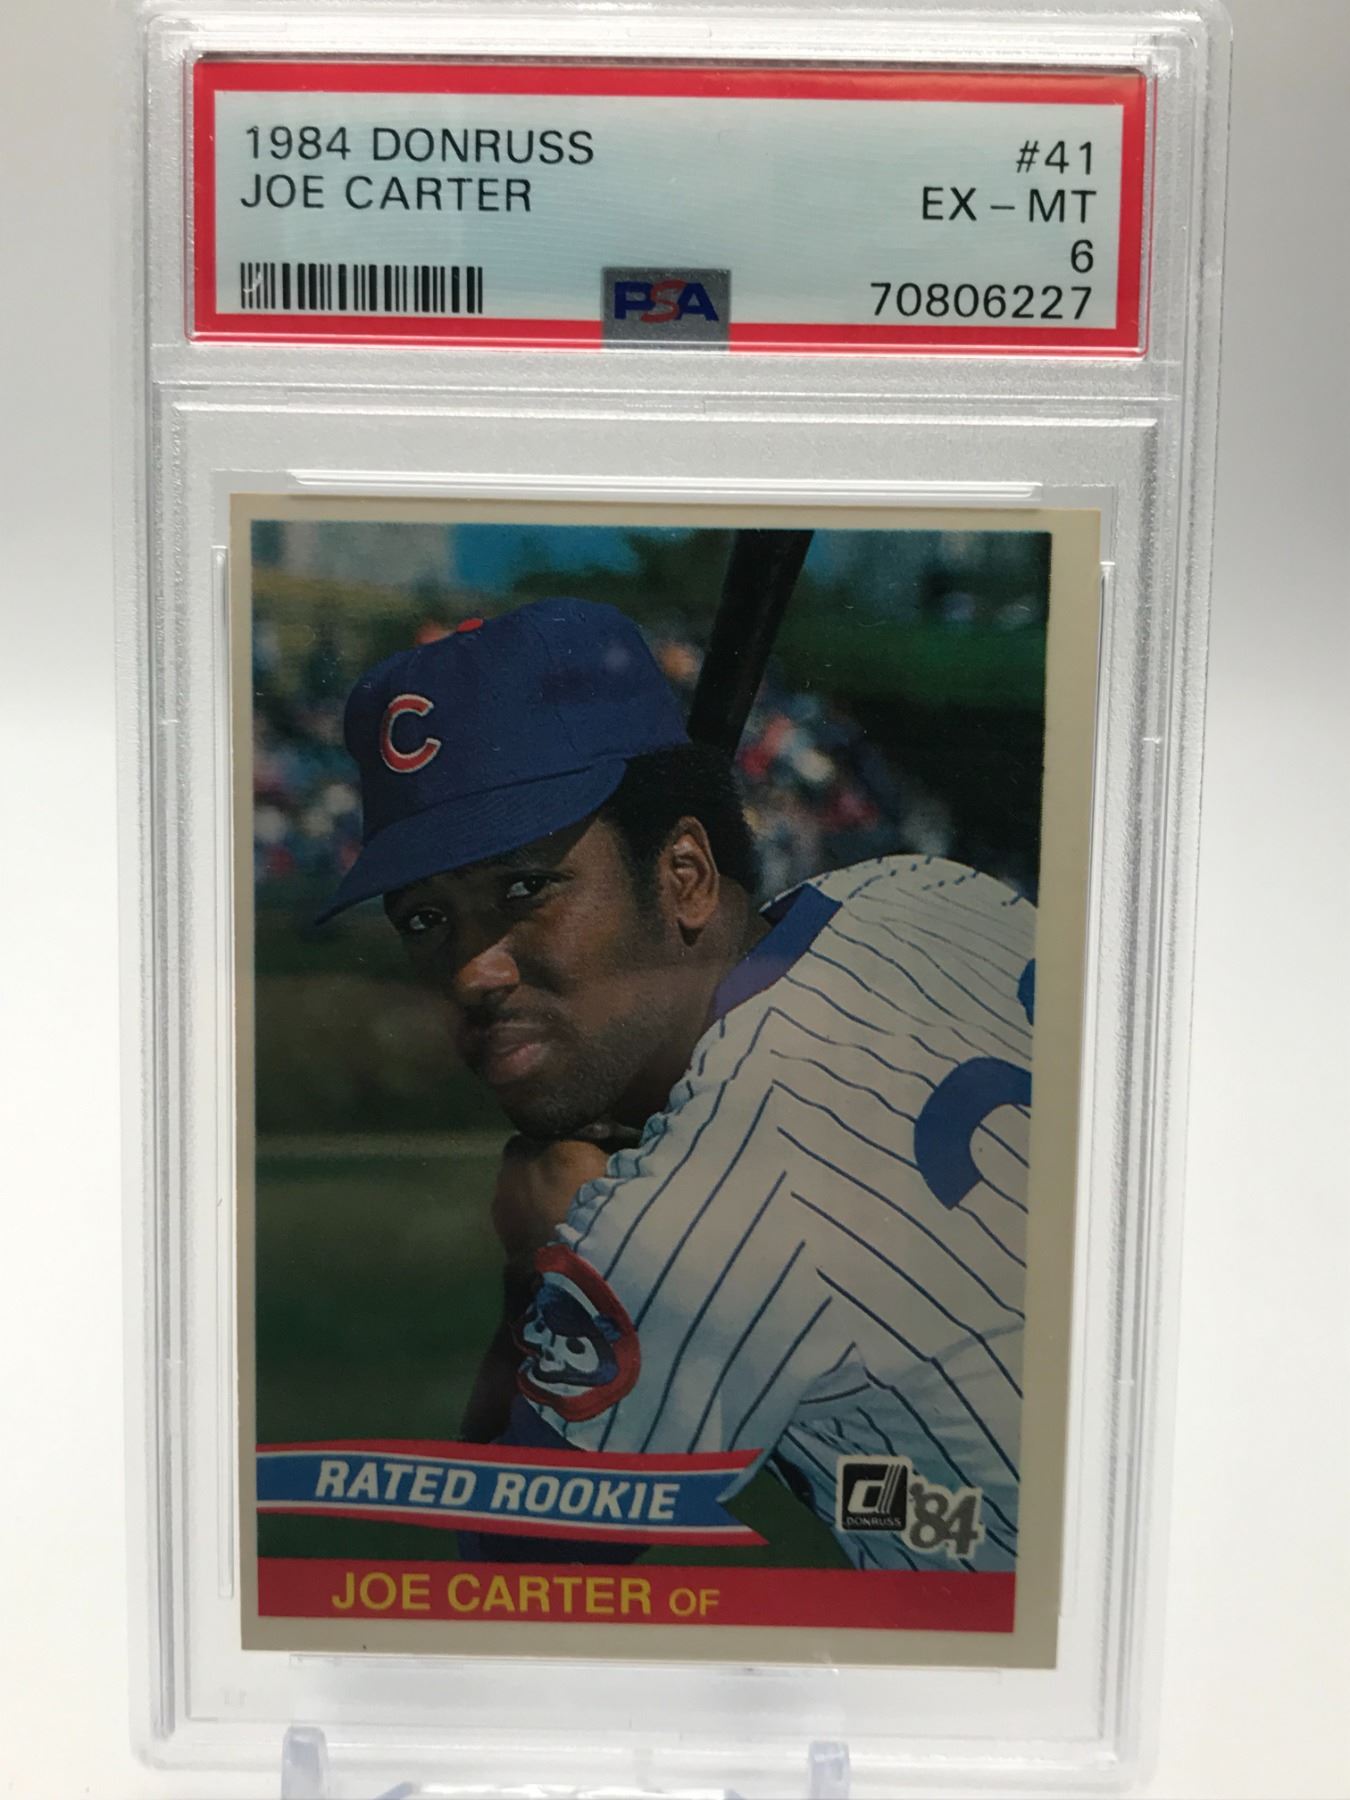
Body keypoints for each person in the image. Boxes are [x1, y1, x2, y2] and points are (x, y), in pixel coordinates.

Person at [319, 597, 1035, 1574]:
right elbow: (905, 1492)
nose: (472, 971)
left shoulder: (686, 1233)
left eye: (524, 889)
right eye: (424, 920)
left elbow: (509, 1576)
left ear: (687, 874)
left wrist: (539, 1268)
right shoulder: (920, 895)